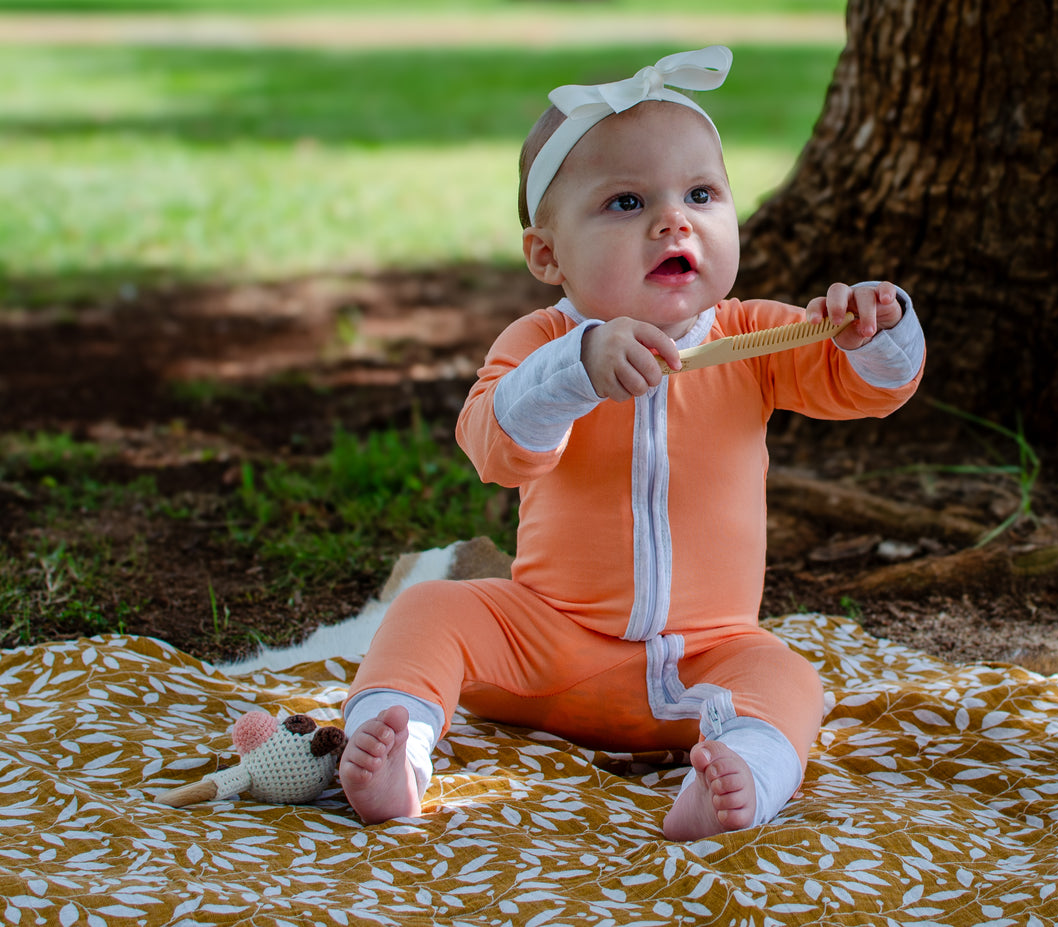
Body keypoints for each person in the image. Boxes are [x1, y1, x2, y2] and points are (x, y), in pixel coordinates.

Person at [338, 45, 925, 839]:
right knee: (430, 610)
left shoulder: (750, 334)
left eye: (700, 194)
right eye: (625, 203)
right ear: (547, 254)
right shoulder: (542, 341)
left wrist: (873, 329)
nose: (672, 220)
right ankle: (397, 742)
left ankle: (742, 775)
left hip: (703, 658)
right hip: (549, 641)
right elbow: (494, 448)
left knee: (789, 677)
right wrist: (573, 372)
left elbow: (869, 386)